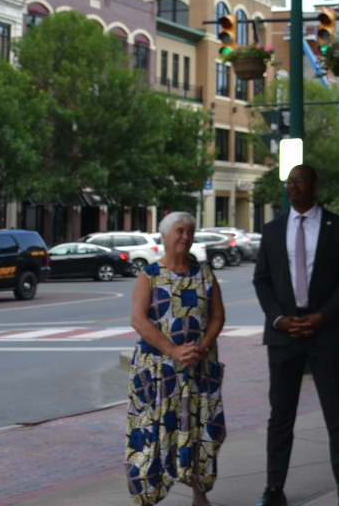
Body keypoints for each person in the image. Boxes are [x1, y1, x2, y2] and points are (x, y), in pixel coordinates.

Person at [253, 165, 339, 506]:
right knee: (280, 417)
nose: (292, 186)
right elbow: (262, 280)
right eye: (289, 182)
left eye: (299, 181)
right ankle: (273, 489)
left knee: (337, 415)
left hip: (326, 334)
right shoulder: (272, 230)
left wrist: (322, 316)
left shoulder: (338, 227)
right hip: (285, 336)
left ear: (314, 184)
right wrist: (279, 318)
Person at [127, 211, 226, 506]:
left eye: (190, 231)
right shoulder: (150, 275)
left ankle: (200, 494)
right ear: (165, 236)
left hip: (198, 368)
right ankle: (147, 497)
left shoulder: (205, 273)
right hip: (157, 372)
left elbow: (218, 316)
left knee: (198, 431)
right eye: (179, 230)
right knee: (153, 433)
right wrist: (173, 350)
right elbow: (138, 320)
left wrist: (202, 348)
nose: (185, 236)